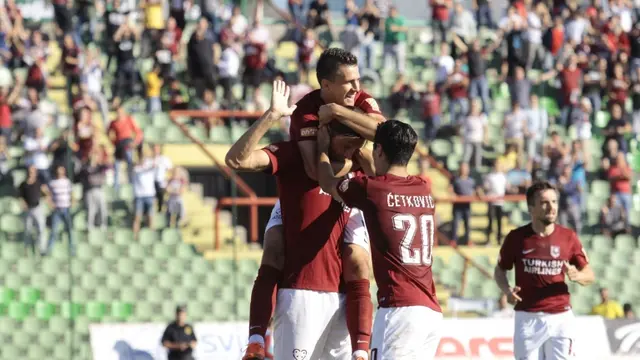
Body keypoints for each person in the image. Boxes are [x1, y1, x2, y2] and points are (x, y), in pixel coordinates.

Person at [237, 49, 386, 360]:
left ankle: (361, 351)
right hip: (317, 182)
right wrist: (274, 116)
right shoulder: (306, 110)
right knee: (275, 247)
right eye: (348, 82)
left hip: (345, 192)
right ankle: (255, 340)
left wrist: (341, 116)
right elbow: (312, 171)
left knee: (358, 260)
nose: (357, 88)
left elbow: (384, 135)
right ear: (325, 85)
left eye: (358, 79)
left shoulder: (359, 100)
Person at [317, 120, 442, 359]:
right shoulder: (423, 187)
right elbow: (388, 186)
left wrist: (323, 148)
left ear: (380, 151)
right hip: (430, 313)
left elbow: (328, 183)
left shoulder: (371, 188)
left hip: (399, 310)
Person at [494, 181, 595, 360]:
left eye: (554, 202)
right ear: (531, 208)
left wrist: (578, 275)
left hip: (561, 317)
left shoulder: (568, 237)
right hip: (527, 318)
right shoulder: (516, 238)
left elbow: (589, 274)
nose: (551, 207)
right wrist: (507, 290)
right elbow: (500, 271)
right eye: (545, 202)